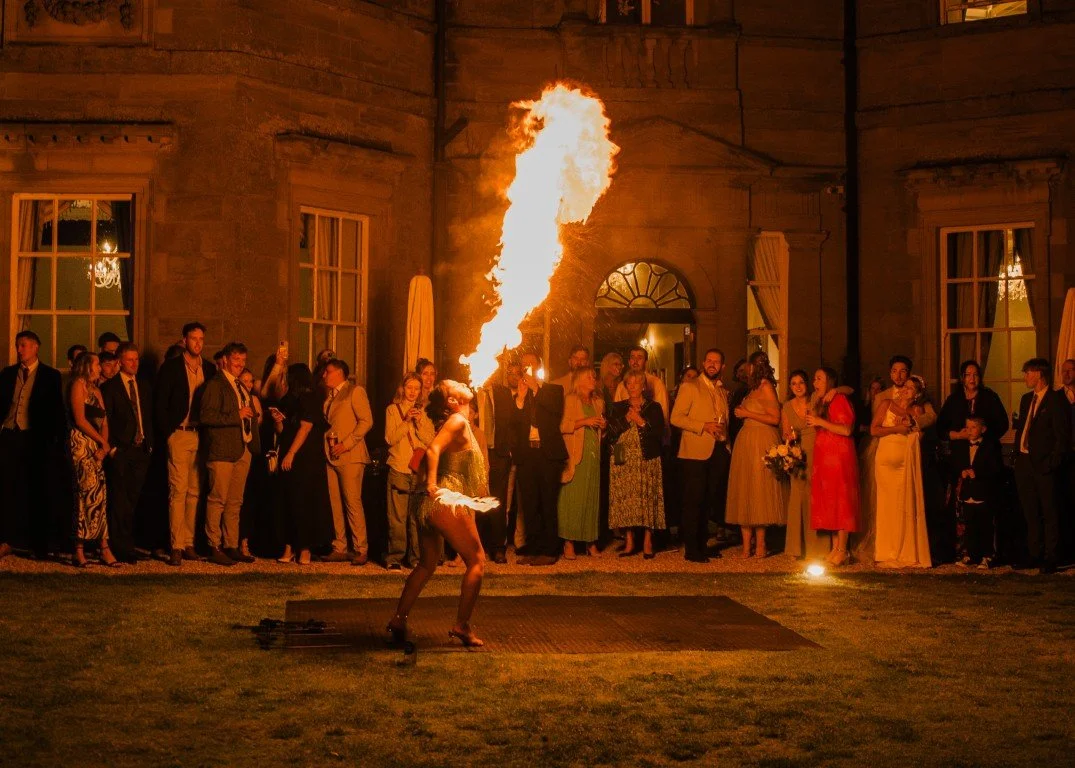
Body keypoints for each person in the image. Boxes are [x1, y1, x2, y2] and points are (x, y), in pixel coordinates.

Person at [387, 380, 493, 648]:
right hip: (446, 499)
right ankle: (462, 625)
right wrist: (432, 484)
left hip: (432, 504)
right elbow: (432, 450)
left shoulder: (460, 422)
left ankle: (399, 619)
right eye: (454, 384)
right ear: (452, 402)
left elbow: (427, 454)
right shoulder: (457, 421)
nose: (461, 382)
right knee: (477, 561)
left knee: (427, 563)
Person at [0, 330, 65, 560]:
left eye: (24, 345)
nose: (20, 350)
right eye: (18, 345)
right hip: (9, 435)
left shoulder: (50, 376)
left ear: (36, 347)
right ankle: (6, 540)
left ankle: (37, 544)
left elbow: (56, 411)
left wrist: (55, 442)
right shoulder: (8, 374)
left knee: (38, 490)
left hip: (35, 439)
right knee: (7, 489)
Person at [155, 321, 216, 567]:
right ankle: (176, 545)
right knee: (178, 490)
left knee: (195, 491)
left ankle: (189, 543)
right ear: (184, 340)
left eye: (201, 339)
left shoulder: (210, 369)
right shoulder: (171, 368)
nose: (198, 343)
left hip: (201, 434)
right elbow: (160, 403)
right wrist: (167, 432)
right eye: (193, 339)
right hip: (179, 433)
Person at [199, 342, 260, 566]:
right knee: (217, 500)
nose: (240, 365)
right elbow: (206, 416)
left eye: (243, 361)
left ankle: (231, 544)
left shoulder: (239, 385)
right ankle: (213, 545)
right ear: (225, 360)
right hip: (223, 451)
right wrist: (238, 415)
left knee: (235, 501)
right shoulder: (215, 385)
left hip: (243, 448)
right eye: (236, 361)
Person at [670, 348, 730, 563]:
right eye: (709, 360)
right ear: (704, 363)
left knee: (709, 501)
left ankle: (703, 545)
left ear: (722, 366)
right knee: (693, 501)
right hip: (694, 452)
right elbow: (676, 418)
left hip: (718, 451)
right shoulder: (690, 386)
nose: (712, 364)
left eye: (717, 361)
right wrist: (702, 426)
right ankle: (692, 549)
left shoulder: (723, 390)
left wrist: (727, 444)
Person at [725, 351, 787, 558]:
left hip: (761, 439)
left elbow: (775, 417)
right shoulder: (751, 389)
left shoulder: (766, 387)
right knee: (745, 489)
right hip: (746, 439)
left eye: (748, 368)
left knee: (760, 490)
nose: (745, 372)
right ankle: (745, 546)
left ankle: (760, 545)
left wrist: (746, 413)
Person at [1013, 358, 1070, 573]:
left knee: (1049, 510)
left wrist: (1052, 463)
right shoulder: (1027, 399)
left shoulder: (1056, 400)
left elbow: (1061, 436)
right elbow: (1023, 427)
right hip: (1025, 462)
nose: (1025, 377)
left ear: (1038, 374)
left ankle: (1051, 556)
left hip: (1043, 464)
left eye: (1027, 372)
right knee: (1030, 510)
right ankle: (1034, 553)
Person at [273, 364, 334, 565]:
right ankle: (289, 545)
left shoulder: (310, 398)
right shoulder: (288, 400)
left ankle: (305, 547)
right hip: (290, 453)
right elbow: (284, 432)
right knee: (289, 499)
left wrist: (291, 453)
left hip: (306, 457)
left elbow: (306, 427)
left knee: (304, 501)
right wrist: (278, 421)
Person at [511, 352, 567, 566]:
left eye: (531, 365)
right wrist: (521, 398)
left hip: (548, 455)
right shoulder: (520, 394)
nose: (527, 369)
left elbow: (554, 413)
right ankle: (533, 549)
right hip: (528, 455)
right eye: (524, 365)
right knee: (530, 504)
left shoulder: (553, 390)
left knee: (547, 503)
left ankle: (550, 550)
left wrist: (535, 388)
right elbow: (514, 423)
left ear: (540, 367)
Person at [101, 342, 153, 564]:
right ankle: (120, 547)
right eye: (130, 360)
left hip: (141, 450)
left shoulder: (143, 386)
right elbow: (106, 420)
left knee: (133, 500)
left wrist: (150, 444)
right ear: (120, 361)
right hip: (121, 450)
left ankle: (129, 542)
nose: (135, 363)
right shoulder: (111, 388)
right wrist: (112, 449)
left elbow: (147, 416)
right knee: (120, 500)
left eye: (137, 359)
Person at [871, 374, 932, 568]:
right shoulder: (886, 404)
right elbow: (874, 430)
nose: (906, 390)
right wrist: (896, 429)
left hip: (904, 461)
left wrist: (913, 427)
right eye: (905, 386)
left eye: (911, 388)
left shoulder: (916, 410)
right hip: (885, 458)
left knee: (902, 504)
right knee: (886, 503)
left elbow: (919, 435)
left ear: (917, 394)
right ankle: (885, 549)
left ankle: (903, 548)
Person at [608, 369, 666, 558]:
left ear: (643, 386)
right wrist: (626, 419)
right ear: (625, 386)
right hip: (623, 458)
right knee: (626, 499)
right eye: (629, 384)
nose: (632, 387)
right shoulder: (617, 407)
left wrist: (641, 421)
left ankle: (648, 541)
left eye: (636, 383)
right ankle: (629, 541)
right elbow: (610, 433)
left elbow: (659, 433)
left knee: (647, 498)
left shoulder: (654, 407)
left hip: (647, 458)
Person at [321, 358, 374, 565]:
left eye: (328, 371)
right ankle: (340, 546)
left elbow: (367, 421)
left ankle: (361, 548)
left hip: (350, 455)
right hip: (331, 454)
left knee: (352, 502)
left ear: (340, 373)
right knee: (335, 503)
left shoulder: (355, 391)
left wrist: (347, 443)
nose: (324, 375)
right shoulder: (329, 396)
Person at [67, 353, 117, 568]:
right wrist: (100, 442)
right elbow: (80, 419)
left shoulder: (97, 390)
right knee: (85, 493)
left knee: (100, 495)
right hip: (82, 443)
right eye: (97, 363)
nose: (100, 367)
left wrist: (104, 445)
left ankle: (103, 545)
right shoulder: (78, 385)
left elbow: (104, 420)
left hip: (97, 446)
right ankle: (78, 547)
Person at [806, 368, 860, 566]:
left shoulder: (839, 399)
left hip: (839, 457)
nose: (814, 382)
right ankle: (835, 548)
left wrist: (820, 421)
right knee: (831, 501)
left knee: (841, 500)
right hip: (826, 458)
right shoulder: (823, 400)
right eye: (814, 378)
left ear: (829, 381)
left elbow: (846, 429)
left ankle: (843, 549)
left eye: (819, 378)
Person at [385, 372, 436, 570]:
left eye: (417, 388)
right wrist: (406, 420)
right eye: (409, 388)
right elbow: (390, 438)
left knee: (416, 518)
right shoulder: (392, 410)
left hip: (418, 469)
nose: (413, 392)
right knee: (397, 517)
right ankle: (395, 557)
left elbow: (430, 440)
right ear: (402, 389)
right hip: (399, 467)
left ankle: (416, 558)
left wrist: (420, 420)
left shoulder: (424, 411)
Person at [781, 369, 829, 560]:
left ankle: (819, 547)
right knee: (797, 499)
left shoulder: (816, 399)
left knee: (817, 497)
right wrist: (789, 439)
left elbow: (845, 390)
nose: (798, 386)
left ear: (807, 384)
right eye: (794, 383)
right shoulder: (786, 406)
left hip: (818, 448)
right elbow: (786, 432)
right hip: (798, 453)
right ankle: (795, 547)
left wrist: (833, 391)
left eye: (801, 382)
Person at [558, 368, 605, 559]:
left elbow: (597, 426)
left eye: (594, 376)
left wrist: (603, 425)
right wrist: (585, 421)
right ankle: (568, 543)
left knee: (591, 498)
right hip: (576, 456)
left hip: (593, 457)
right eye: (589, 376)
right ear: (579, 381)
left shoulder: (598, 402)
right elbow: (562, 426)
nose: (593, 379)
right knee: (572, 499)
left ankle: (590, 542)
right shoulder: (570, 400)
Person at [477, 359, 518, 564]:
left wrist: (508, 449)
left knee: (498, 501)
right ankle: (477, 546)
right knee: (476, 499)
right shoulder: (470, 390)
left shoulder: (503, 393)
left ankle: (498, 548)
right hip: (475, 453)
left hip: (498, 453)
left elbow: (512, 423)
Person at [949, 416, 1002, 568]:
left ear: (982, 429)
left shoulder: (991, 445)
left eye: (974, 427)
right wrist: (962, 472)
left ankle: (987, 555)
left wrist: (977, 473)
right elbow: (955, 464)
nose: (970, 431)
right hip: (968, 492)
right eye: (967, 427)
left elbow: (996, 468)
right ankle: (971, 554)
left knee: (985, 525)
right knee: (970, 524)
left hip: (983, 492)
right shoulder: (961, 446)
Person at [938, 360, 1009, 447]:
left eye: (975, 375)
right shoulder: (953, 399)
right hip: (960, 451)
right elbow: (940, 428)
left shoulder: (990, 397)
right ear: (962, 378)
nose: (972, 378)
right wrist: (958, 435)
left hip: (987, 450)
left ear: (979, 377)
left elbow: (1003, 424)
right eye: (968, 375)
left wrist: (983, 435)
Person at [237, 367, 264, 559]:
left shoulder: (254, 400)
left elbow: (259, 421)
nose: (248, 384)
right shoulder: (235, 398)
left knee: (249, 498)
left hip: (252, 451)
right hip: (237, 448)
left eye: (250, 381)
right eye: (244, 380)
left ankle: (245, 541)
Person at [872, 356, 937, 429]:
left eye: (902, 371)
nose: (898, 376)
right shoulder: (880, 397)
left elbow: (932, 416)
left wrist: (913, 421)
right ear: (890, 374)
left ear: (909, 374)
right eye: (894, 371)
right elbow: (875, 426)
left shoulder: (918, 395)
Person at [614, 346, 669, 424]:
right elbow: (616, 415)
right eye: (632, 358)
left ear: (646, 362)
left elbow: (664, 415)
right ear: (629, 362)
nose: (635, 361)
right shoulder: (622, 385)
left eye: (639, 358)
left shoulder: (656, 383)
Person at [726, 358, 749, 445]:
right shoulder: (735, 390)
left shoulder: (753, 389)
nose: (744, 374)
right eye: (741, 371)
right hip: (734, 428)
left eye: (746, 370)